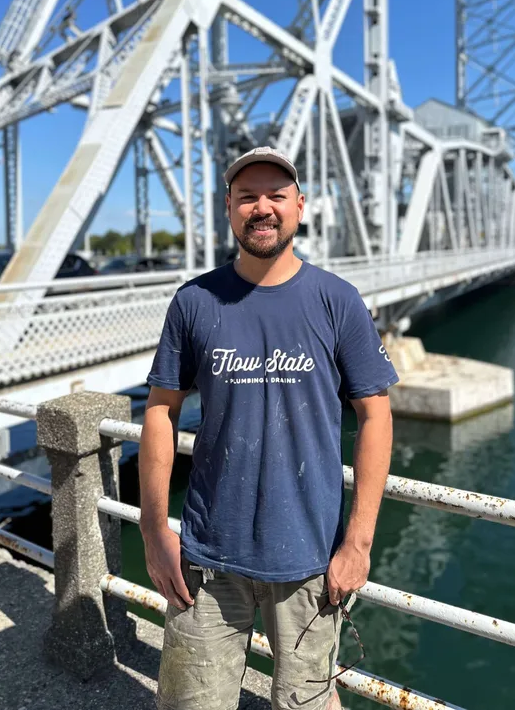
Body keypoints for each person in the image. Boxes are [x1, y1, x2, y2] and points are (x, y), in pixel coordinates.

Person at [140, 145, 398, 710]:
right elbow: (161, 409)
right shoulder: (194, 301)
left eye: (276, 196)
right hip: (206, 560)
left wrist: (358, 542)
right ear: (228, 209)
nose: (263, 208)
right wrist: (154, 529)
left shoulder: (338, 301)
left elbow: (376, 415)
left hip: (311, 561)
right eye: (247, 197)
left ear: (300, 207)